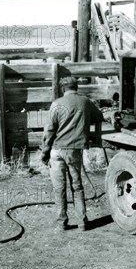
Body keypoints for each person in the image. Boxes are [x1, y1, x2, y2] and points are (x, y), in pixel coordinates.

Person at [41, 77, 105, 232]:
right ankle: (83, 222)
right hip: (74, 151)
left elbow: (49, 130)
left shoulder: (57, 104)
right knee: (77, 186)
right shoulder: (85, 102)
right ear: (76, 87)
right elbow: (99, 117)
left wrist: (45, 153)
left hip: (56, 151)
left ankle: (61, 222)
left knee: (59, 188)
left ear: (63, 89)